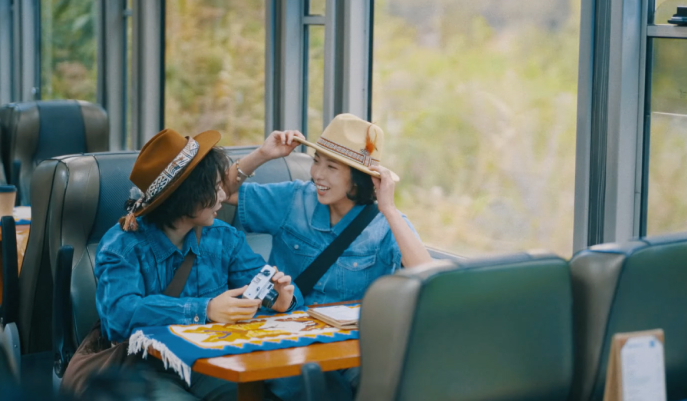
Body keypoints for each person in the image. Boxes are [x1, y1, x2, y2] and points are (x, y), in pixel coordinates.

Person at [224, 113, 432, 400]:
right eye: (316, 161)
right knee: (309, 387)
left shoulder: (384, 223)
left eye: (331, 166)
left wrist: (391, 210)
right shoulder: (293, 198)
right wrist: (262, 155)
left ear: (359, 179)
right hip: (287, 342)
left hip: (351, 349)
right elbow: (218, 193)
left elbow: (428, 276)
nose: (317, 174)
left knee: (388, 384)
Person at [92, 129, 302, 400]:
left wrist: (281, 299)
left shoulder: (224, 237)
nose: (222, 197)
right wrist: (207, 309)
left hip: (211, 363)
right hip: (143, 369)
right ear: (186, 196)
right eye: (214, 188)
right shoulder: (122, 245)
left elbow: (259, 283)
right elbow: (119, 317)